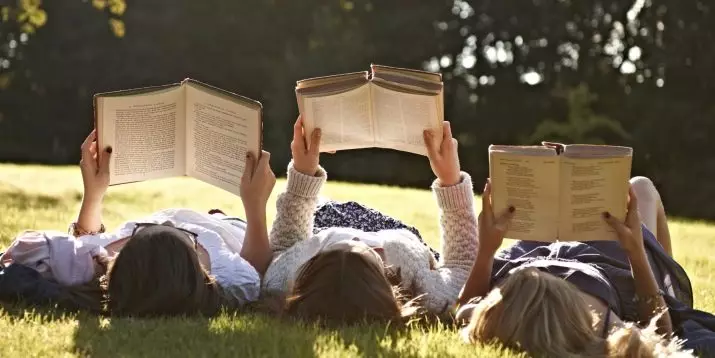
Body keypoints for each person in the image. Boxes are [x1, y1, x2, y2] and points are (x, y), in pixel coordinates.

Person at [456, 176, 713, 357]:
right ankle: (667, 289)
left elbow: (462, 309)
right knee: (641, 188)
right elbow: (661, 335)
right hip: (607, 261)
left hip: (535, 252)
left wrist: (487, 250)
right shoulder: (596, 325)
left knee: (558, 194)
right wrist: (635, 251)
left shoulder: (499, 317)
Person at [261, 116, 478, 325]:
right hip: (398, 234)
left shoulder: (285, 278)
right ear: (386, 282)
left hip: (326, 219)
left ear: (311, 267)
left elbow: (284, 245)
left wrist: (303, 171)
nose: (356, 237)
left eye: (334, 248)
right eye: (371, 252)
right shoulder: (427, 294)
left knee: (323, 211)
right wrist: (450, 181)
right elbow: (461, 267)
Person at [69, 130, 275, 317]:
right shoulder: (231, 276)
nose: (168, 221)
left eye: (142, 230)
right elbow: (257, 272)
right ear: (196, 265)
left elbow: (80, 245)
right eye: (184, 236)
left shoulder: (102, 260)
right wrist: (255, 206)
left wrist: (93, 194)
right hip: (229, 225)